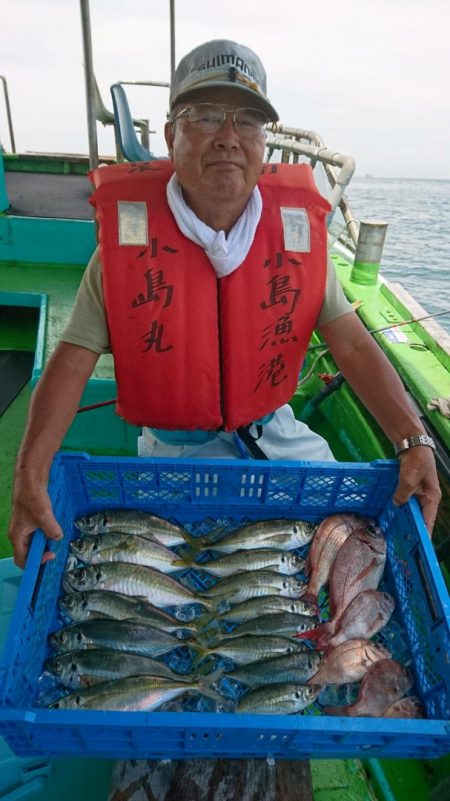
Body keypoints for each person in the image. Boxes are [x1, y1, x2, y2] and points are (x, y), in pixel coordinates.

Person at [8, 38, 441, 569]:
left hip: (275, 431)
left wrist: (411, 438)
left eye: (249, 122)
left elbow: (349, 341)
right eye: (206, 116)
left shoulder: (297, 237)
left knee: (351, 542)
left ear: (265, 142)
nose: (229, 138)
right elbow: (72, 360)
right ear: (171, 135)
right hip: (175, 451)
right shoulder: (124, 249)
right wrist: (29, 473)